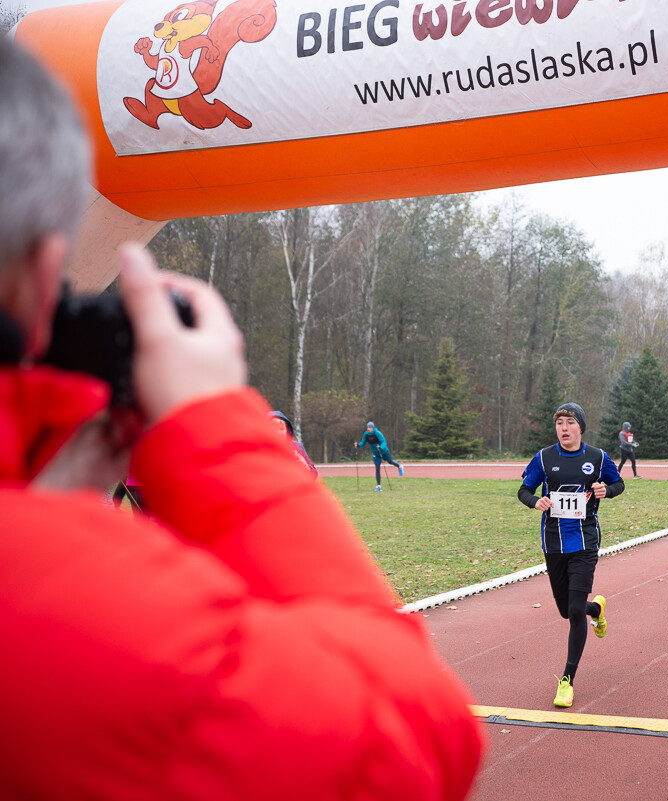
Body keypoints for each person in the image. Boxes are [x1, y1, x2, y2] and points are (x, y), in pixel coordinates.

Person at [0, 38, 481, 799]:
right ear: (40, 279)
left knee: (385, 461)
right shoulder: (89, 619)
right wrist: (212, 424)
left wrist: (39, 496)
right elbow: (412, 741)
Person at [518, 402, 624, 709]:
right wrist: (534, 501)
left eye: (569, 422)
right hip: (553, 543)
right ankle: (596, 610)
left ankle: (567, 680)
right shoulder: (544, 457)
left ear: (580, 427)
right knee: (568, 610)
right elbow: (524, 489)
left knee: (574, 611)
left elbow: (618, 482)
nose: (564, 428)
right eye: (559, 423)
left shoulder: (598, 457)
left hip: (585, 541)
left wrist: (608, 491)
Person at [355, 420, 402, 491]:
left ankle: (399, 466)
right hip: (375, 454)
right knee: (377, 468)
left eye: (370, 427)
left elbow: (384, 442)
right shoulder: (366, 434)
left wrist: (380, 447)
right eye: (367, 427)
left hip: (383, 451)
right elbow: (363, 442)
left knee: (390, 462)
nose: (368, 429)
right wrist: (358, 445)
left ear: (373, 428)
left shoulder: (377, 433)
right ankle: (379, 486)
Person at [270, 410, 318, 477]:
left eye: (282, 429)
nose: (278, 433)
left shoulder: (297, 447)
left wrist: (305, 466)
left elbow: (313, 475)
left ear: (287, 431)